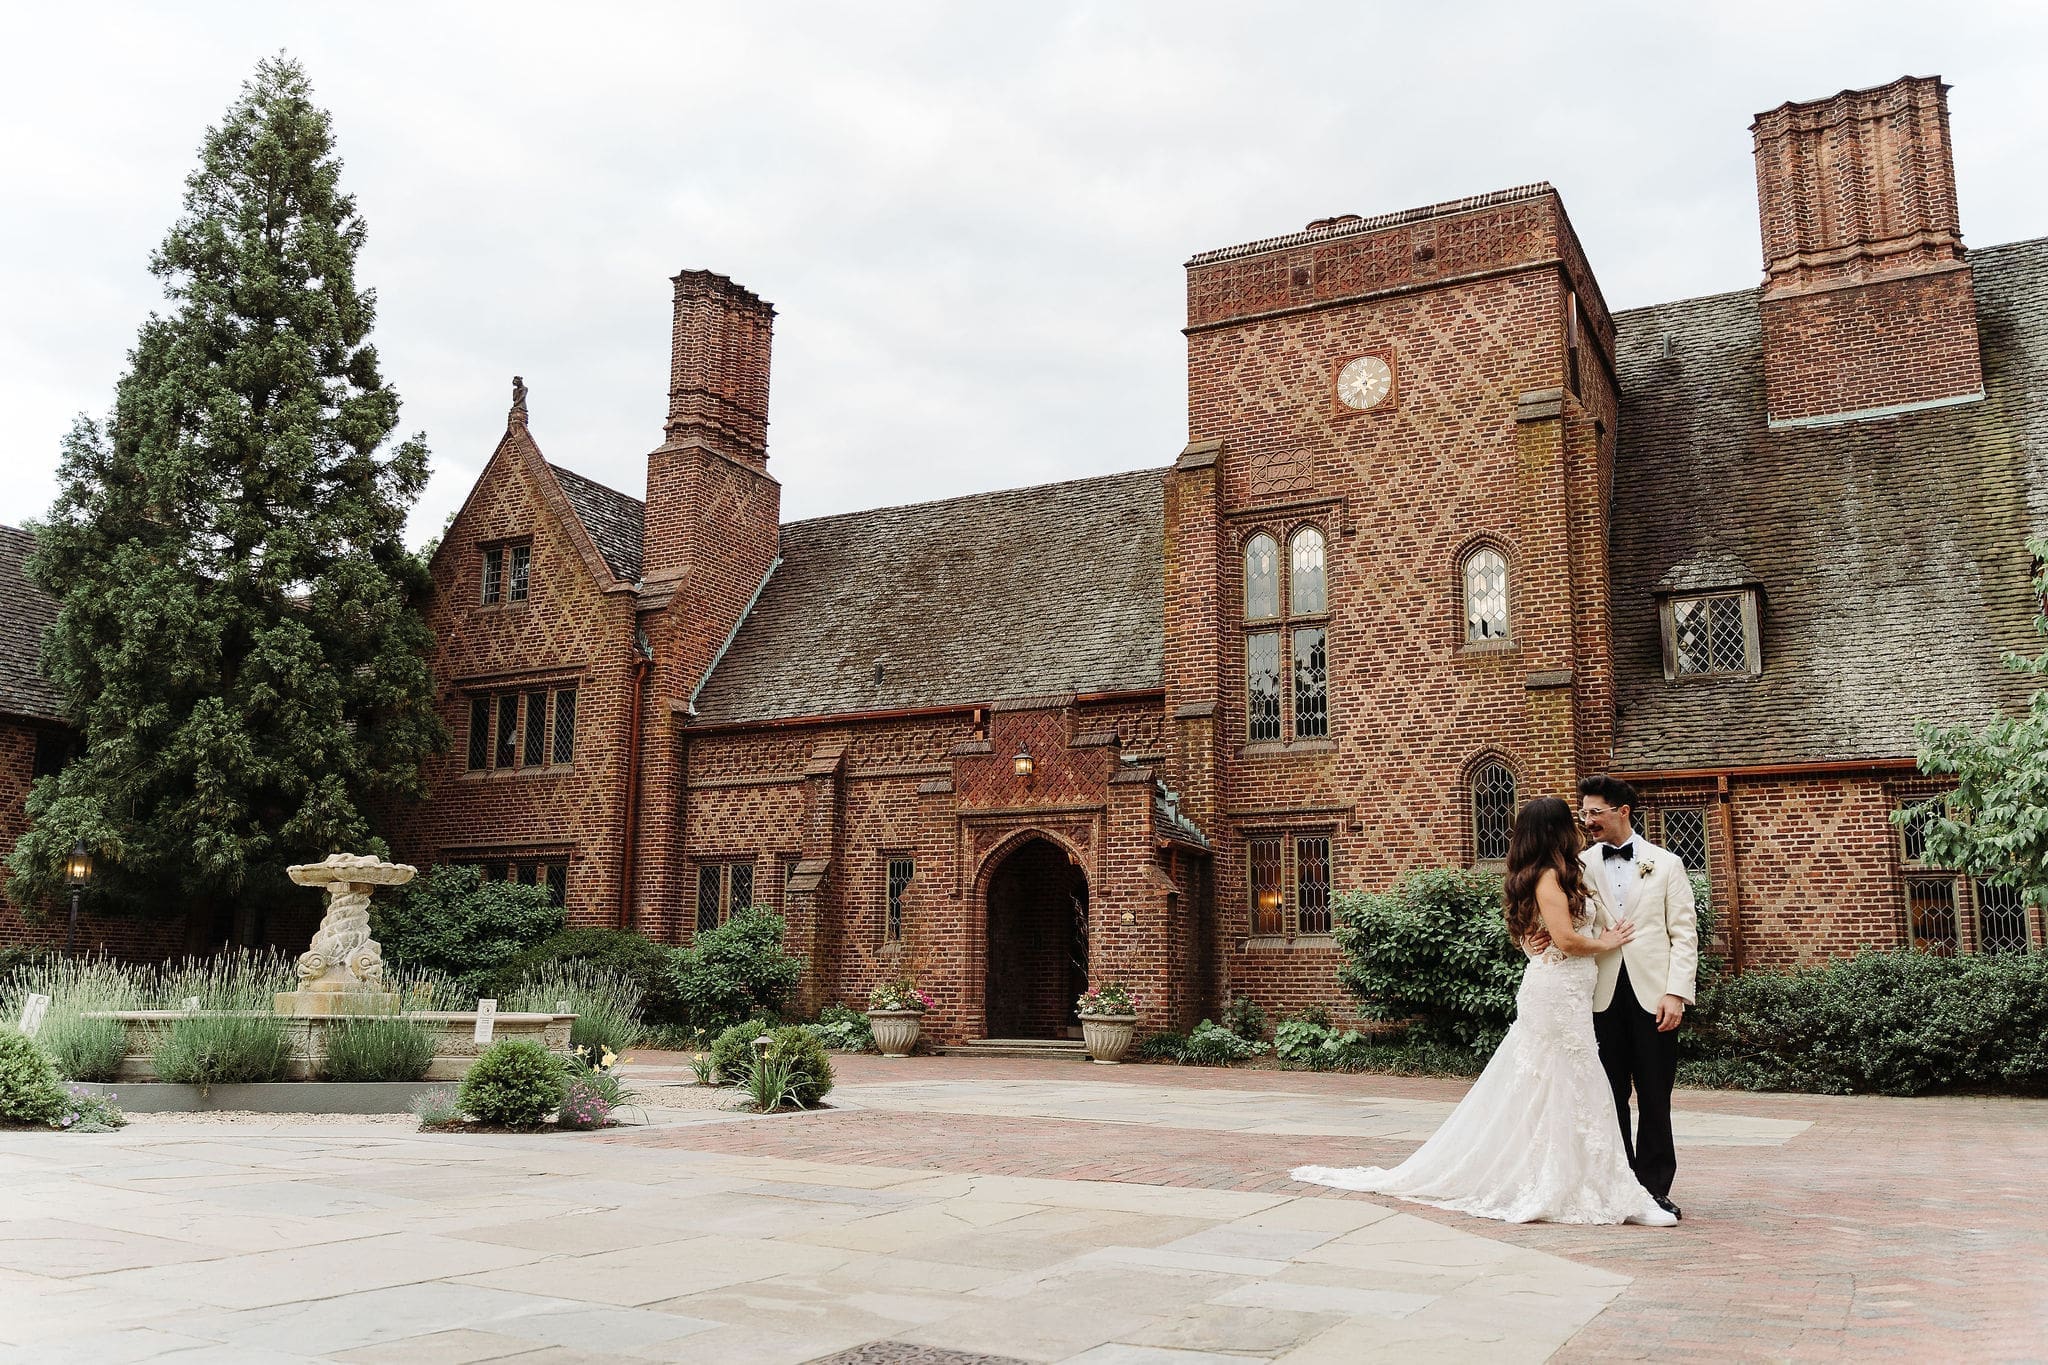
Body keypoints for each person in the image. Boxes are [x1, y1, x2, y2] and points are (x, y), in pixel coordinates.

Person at [1292, 796, 1677, 1225]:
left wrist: (1535, 941)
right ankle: (1563, 1180)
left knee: (1569, 1085)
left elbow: (1559, 927)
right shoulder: (1549, 876)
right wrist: (1603, 943)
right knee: (1568, 1081)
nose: (1580, 826)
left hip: (1571, 993)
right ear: (1554, 830)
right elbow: (1566, 940)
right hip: (1555, 995)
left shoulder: (1573, 870)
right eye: (1572, 820)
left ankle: (1589, 1178)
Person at [1577, 774, 1697, 1221]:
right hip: (1598, 996)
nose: (1588, 820)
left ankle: (1653, 1189)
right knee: (1607, 1094)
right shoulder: (1578, 865)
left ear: (1622, 811)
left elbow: (1684, 934)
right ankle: (1617, 1184)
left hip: (1654, 997)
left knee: (1654, 1092)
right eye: (1584, 812)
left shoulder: (1666, 864)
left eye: (1596, 812)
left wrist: (1676, 993)